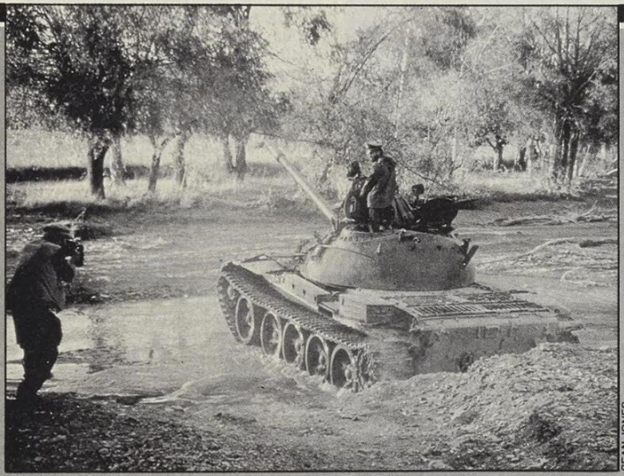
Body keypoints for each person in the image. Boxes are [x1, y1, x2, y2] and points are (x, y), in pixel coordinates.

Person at [7, 224, 84, 407]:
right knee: (49, 345)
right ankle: (28, 391)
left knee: (32, 345)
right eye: (68, 239)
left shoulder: (32, 246)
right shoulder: (53, 249)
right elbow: (68, 275)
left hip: (19, 302)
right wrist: (75, 256)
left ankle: (29, 387)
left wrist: (70, 254)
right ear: (62, 238)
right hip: (36, 303)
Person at [360, 142, 397, 231]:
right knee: (386, 226)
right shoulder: (389, 164)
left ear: (377, 152)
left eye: (370, 154)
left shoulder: (379, 165)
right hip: (388, 198)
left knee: (375, 225)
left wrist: (363, 191)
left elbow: (372, 180)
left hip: (376, 199)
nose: (369, 157)